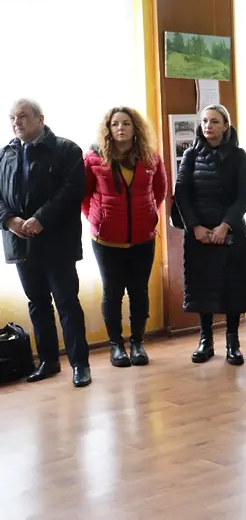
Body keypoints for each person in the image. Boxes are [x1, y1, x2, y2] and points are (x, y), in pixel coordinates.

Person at [0, 99, 91, 387]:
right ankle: (48, 362)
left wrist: (41, 219)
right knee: (37, 304)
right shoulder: (5, 154)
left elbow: (72, 191)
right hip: (21, 242)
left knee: (67, 303)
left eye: (22, 116)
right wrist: (9, 220)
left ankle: (80, 365)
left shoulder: (66, 150)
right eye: (12, 118)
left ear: (40, 119)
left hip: (57, 242)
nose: (16, 122)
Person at [83, 106, 167, 367]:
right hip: (106, 239)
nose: (121, 128)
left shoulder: (150, 157)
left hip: (143, 237)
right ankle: (116, 345)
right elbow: (84, 196)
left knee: (139, 291)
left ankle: (138, 343)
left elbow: (160, 191)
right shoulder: (94, 158)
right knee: (113, 292)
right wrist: (98, 219)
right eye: (115, 124)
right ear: (108, 129)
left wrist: (148, 216)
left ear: (135, 128)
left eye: (126, 123)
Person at [174, 104, 246, 366]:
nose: (208, 126)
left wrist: (225, 225)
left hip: (230, 232)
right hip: (199, 234)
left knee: (233, 287)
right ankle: (205, 341)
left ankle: (233, 342)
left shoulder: (239, 156)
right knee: (202, 288)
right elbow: (181, 194)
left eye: (214, 121)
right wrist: (195, 227)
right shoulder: (190, 155)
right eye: (205, 121)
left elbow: (244, 195)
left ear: (225, 126)